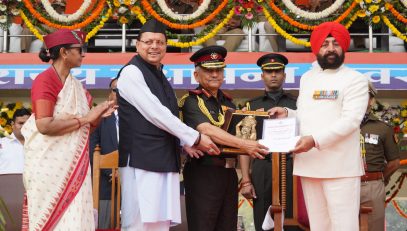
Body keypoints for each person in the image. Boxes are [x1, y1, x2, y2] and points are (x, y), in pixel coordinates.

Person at [116, 19, 219, 231]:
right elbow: (156, 114)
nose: (154, 46)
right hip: (141, 158)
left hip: (163, 157)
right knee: (139, 223)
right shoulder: (131, 73)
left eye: (159, 42)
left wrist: (184, 143)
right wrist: (195, 138)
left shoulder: (160, 73)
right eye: (148, 42)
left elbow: (168, 116)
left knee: (159, 223)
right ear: (137, 45)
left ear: (165, 46)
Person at [268, 22, 369, 231]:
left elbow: (350, 121)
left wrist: (314, 140)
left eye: (336, 43)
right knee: (318, 226)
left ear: (344, 47)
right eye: (325, 44)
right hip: (310, 164)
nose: (331, 48)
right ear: (316, 48)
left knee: (344, 226)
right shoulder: (307, 78)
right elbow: (308, 116)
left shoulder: (355, 79)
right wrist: (288, 113)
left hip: (340, 168)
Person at [21, 29, 116, 231]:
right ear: (64, 52)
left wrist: (97, 116)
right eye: (79, 49)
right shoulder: (45, 81)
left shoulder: (78, 88)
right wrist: (85, 119)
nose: (83, 54)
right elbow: (44, 125)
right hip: (47, 169)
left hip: (75, 171)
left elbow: (83, 132)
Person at [180, 45, 269, 231]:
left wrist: (245, 179)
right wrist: (246, 143)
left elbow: (241, 139)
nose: (214, 74)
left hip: (228, 174)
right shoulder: (190, 101)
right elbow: (207, 129)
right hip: (203, 173)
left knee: (227, 225)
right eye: (208, 70)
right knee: (203, 225)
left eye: (218, 70)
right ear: (196, 76)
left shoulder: (228, 102)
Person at [240, 53, 297, 231]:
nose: (273, 75)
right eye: (269, 71)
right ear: (262, 75)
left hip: (291, 165)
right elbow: (244, 145)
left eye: (278, 71)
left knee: (293, 219)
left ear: (284, 75)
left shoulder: (297, 104)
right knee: (262, 222)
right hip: (262, 167)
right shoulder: (251, 106)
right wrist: (246, 180)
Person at [360, 82, 400, 231]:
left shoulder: (383, 128)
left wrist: (380, 179)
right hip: (344, 183)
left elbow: (394, 162)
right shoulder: (341, 126)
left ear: (371, 101)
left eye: (363, 97)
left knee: (374, 227)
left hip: (372, 184)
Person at [89, 78, 119, 229]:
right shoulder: (99, 117)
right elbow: (91, 150)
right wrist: (113, 171)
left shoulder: (140, 118)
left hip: (134, 183)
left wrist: (125, 171)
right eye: (115, 90)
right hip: (104, 185)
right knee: (104, 226)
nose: (119, 93)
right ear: (110, 93)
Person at [0, 108, 31, 231]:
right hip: (6, 199)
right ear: (13, 125)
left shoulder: (40, 146)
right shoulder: (2, 144)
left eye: (27, 123)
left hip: (32, 198)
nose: (24, 127)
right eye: (21, 123)